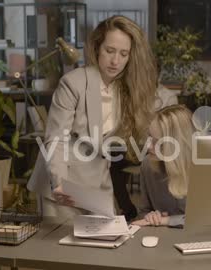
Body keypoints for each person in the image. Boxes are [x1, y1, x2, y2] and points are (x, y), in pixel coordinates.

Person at [27, 15, 157, 219]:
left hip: (99, 179)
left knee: (105, 244)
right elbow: (56, 139)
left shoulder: (129, 89)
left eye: (124, 54)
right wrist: (58, 182)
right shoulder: (73, 83)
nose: (116, 61)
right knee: (60, 248)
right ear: (97, 47)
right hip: (63, 182)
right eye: (110, 51)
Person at [132, 105, 196, 227]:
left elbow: (209, 221)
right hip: (163, 238)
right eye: (149, 137)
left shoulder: (204, 171)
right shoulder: (148, 165)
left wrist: (167, 220)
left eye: (157, 142)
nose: (148, 146)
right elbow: (144, 211)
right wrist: (151, 216)